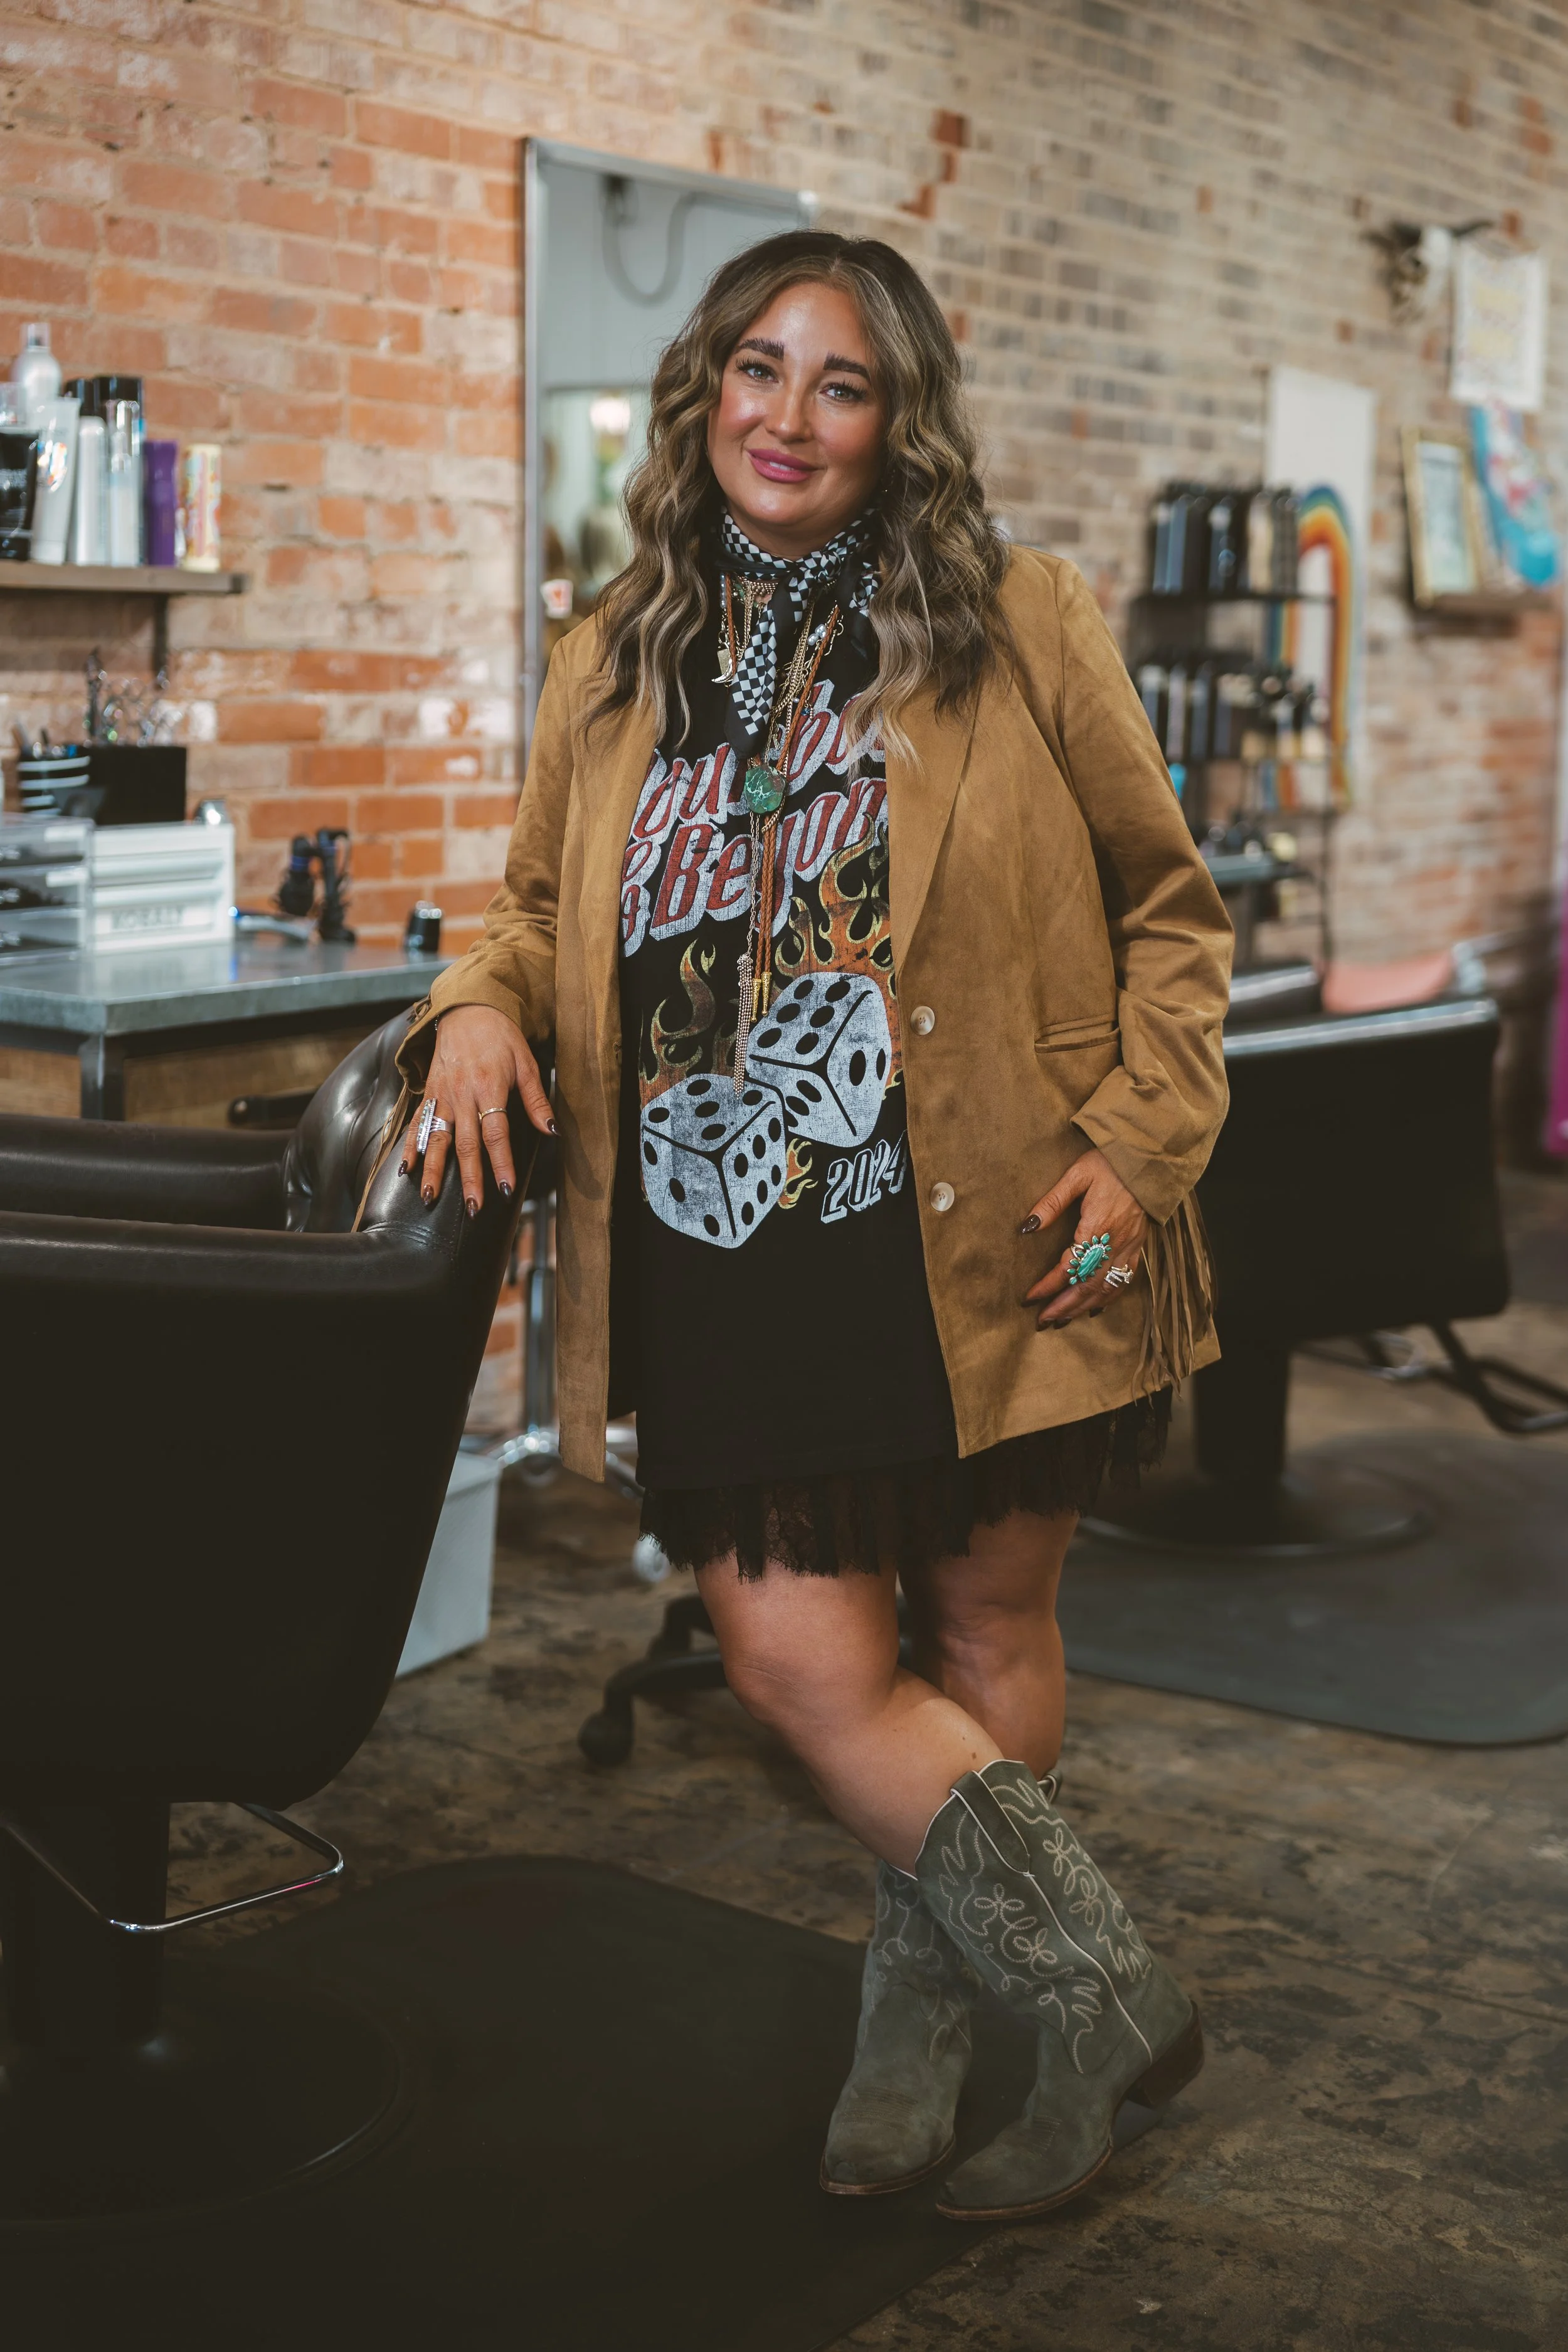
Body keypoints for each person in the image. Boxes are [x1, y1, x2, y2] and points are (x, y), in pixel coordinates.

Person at [397, 231, 1231, 2223]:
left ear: (895, 420)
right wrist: (474, 1007)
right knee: (797, 1668)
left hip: (993, 1229)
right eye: (757, 368)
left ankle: (922, 2022)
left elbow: (1170, 912)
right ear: (703, 391)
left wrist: (1139, 1145)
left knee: (982, 1628)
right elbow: (529, 907)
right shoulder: (613, 655)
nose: (787, 415)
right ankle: (1102, 1994)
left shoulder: (1016, 619)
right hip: (722, 1255)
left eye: (839, 382)